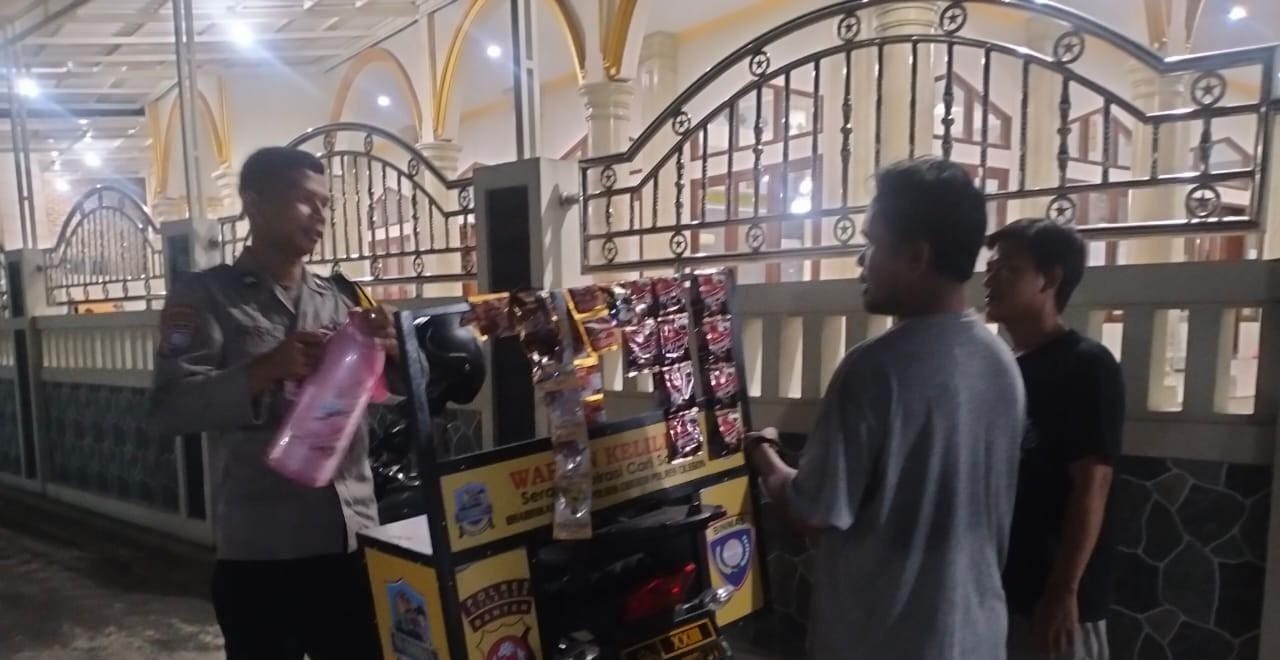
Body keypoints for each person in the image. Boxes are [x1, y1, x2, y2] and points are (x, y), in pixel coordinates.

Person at [746, 157, 1025, 660]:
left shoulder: (874, 370)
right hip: (977, 638)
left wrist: (764, 454)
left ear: (916, 256)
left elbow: (814, 515)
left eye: (873, 244)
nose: (862, 260)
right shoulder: (1001, 361)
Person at [150, 147, 396, 659]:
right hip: (263, 554)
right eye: (305, 200)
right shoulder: (205, 297)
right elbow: (172, 407)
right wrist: (265, 369)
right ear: (254, 203)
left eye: (325, 203)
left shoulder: (342, 300)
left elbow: (392, 394)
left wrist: (394, 352)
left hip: (350, 542)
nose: (320, 215)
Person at [984, 218, 1123, 660]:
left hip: (1058, 601)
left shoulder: (1085, 366)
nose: (990, 279)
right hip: (1002, 588)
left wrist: (1065, 590)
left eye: (1008, 269)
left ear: (1050, 279)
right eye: (990, 267)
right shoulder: (1003, 368)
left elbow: (1092, 485)